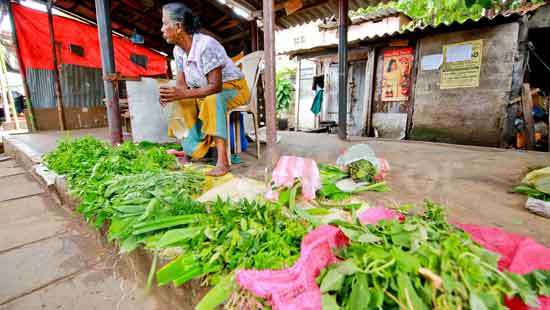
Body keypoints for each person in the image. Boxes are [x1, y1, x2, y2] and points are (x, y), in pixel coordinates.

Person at [159, 2, 249, 177]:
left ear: (178, 27)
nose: (161, 29)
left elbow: (216, 87)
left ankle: (223, 162)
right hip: (205, 90)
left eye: (164, 23)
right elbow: (181, 86)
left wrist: (183, 93)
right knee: (180, 102)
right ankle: (190, 152)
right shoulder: (178, 51)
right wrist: (172, 95)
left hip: (234, 88)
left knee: (213, 99)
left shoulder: (206, 46)